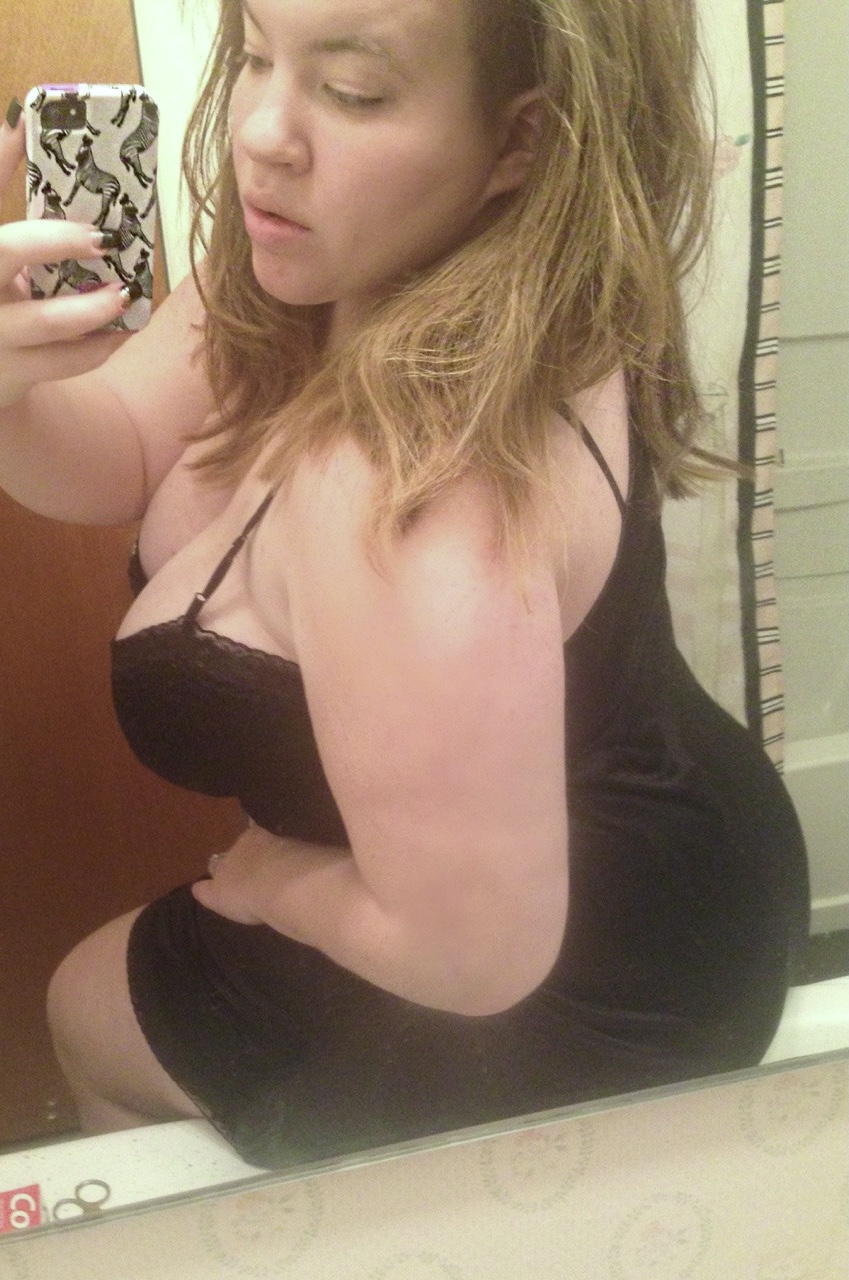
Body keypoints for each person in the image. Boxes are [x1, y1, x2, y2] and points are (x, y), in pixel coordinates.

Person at [0, 0, 809, 1169]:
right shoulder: (322, 265)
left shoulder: (413, 490)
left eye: (352, 89)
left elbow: (472, 956)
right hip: (597, 840)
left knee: (87, 1007)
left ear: (520, 139)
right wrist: (13, 390)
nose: (260, 132)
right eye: (257, 55)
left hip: (600, 965)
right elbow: (120, 439)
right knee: (93, 995)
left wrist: (279, 878)